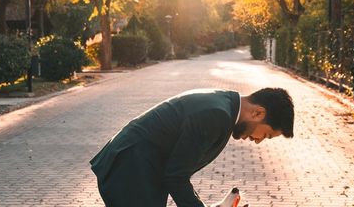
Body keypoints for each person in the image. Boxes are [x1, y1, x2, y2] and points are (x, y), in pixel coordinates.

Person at [90, 87, 294, 206]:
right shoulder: (218, 115)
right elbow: (176, 176)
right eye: (265, 135)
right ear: (258, 113)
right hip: (129, 172)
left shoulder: (225, 104)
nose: (258, 140)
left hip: (135, 169)